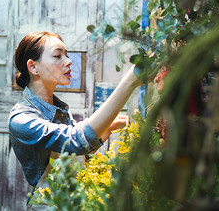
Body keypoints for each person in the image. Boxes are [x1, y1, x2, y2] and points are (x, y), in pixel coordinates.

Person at [8, 31, 143, 209]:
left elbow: (72, 153)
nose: (68, 61)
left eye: (67, 55)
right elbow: (74, 141)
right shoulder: (21, 119)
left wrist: (107, 129)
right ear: (33, 67)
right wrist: (129, 82)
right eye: (58, 55)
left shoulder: (59, 110)